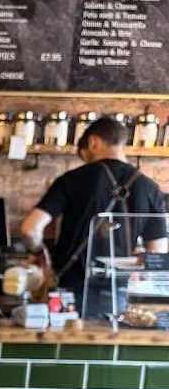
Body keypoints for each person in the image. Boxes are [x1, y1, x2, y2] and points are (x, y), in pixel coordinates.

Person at [19, 115, 168, 301]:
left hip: (69, 293)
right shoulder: (150, 188)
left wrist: (39, 255)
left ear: (93, 142)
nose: (86, 164)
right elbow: (157, 254)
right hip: (117, 295)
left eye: (84, 157)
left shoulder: (72, 179)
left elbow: (29, 229)